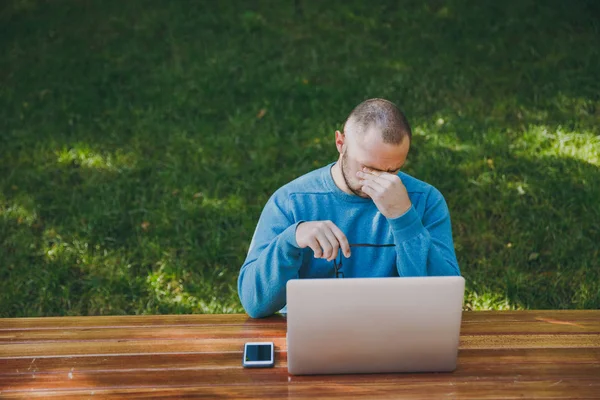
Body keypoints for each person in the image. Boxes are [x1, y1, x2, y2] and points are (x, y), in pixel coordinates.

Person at [238, 98, 461, 318]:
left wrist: (404, 219)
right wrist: (290, 240)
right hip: (314, 334)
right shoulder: (292, 201)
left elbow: (445, 302)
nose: (378, 181)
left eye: (393, 171)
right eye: (367, 167)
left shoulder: (425, 200)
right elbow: (254, 303)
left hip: (396, 334)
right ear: (340, 143)